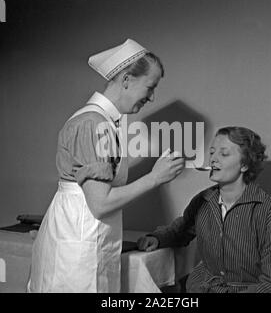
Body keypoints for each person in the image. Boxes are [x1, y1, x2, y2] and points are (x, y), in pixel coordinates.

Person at [28, 38, 185, 293]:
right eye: (150, 87)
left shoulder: (106, 122)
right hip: (79, 243)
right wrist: (154, 178)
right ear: (126, 80)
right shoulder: (93, 123)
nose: (152, 97)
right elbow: (99, 204)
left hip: (88, 237)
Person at [137, 126, 271, 293]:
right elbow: (180, 230)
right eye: (212, 152)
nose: (213, 159)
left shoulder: (268, 212)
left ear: (245, 165)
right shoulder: (203, 200)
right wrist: (157, 238)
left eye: (224, 154)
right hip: (199, 288)